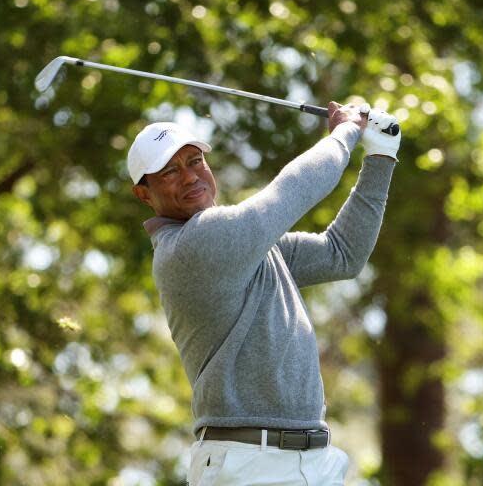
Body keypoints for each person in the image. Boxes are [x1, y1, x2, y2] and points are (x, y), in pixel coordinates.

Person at [127, 101, 400, 485]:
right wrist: (345, 132)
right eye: (170, 171)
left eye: (195, 161)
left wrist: (381, 156)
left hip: (313, 462)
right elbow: (289, 192)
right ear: (144, 194)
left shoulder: (245, 246)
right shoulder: (195, 246)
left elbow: (343, 255)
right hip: (248, 464)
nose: (190, 177)